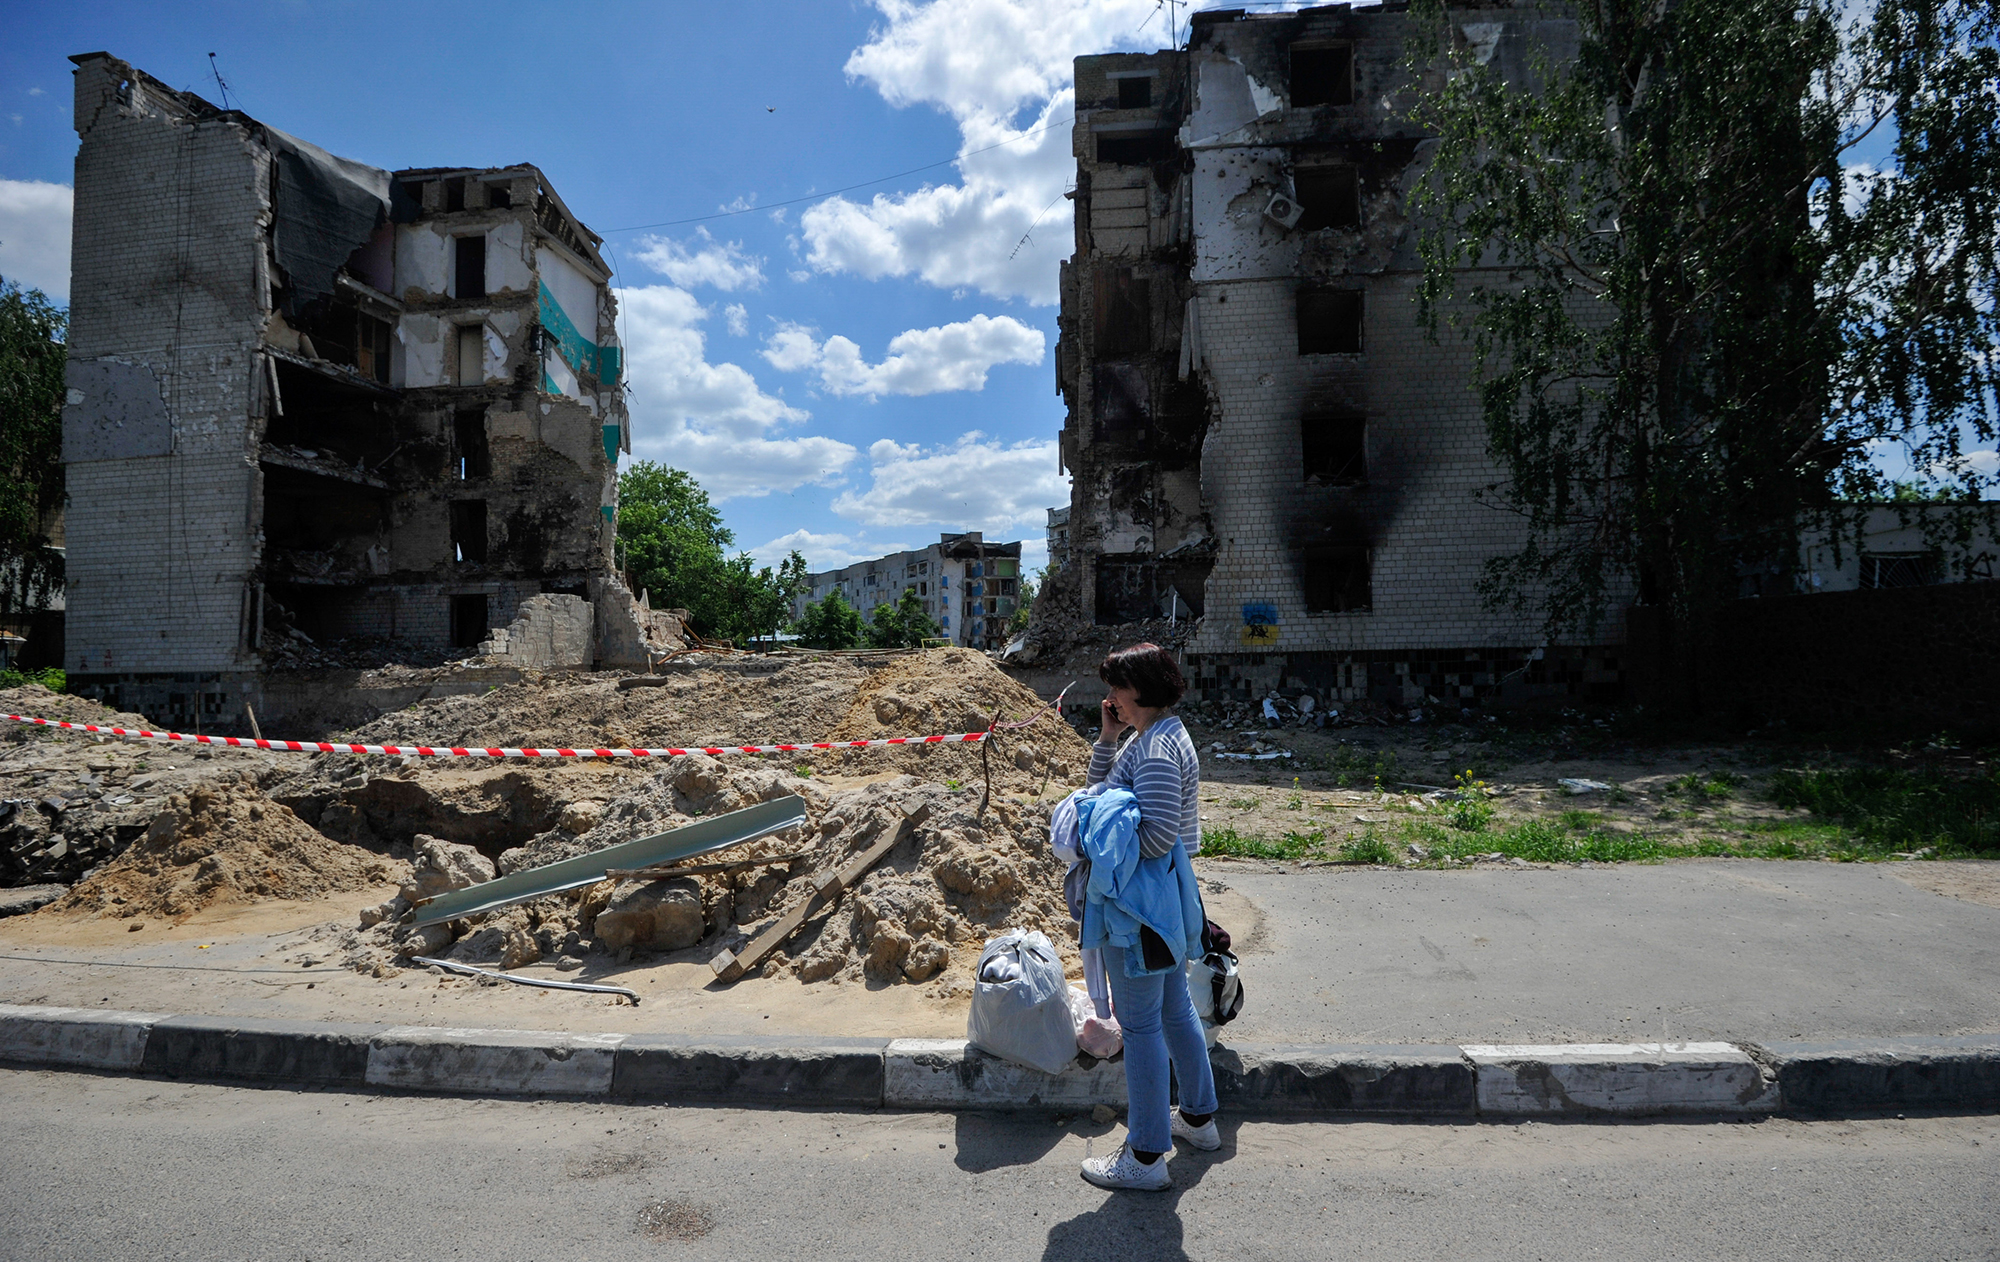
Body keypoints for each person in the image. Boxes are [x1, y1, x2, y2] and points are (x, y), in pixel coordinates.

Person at [1077, 642, 1220, 1192]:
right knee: (1174, 1011)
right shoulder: (1155, 736)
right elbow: (1106, 791)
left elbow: (1157, 835)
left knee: (1138, 1028)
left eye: (1117, 686)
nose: (1110, 696)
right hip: (1161, 904)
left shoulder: (1157, 751)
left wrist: (1097, 830)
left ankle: (1144, 1156)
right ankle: (1200, 1122)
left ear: (1140, 690)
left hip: (1138, 909)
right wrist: (1109, 740)